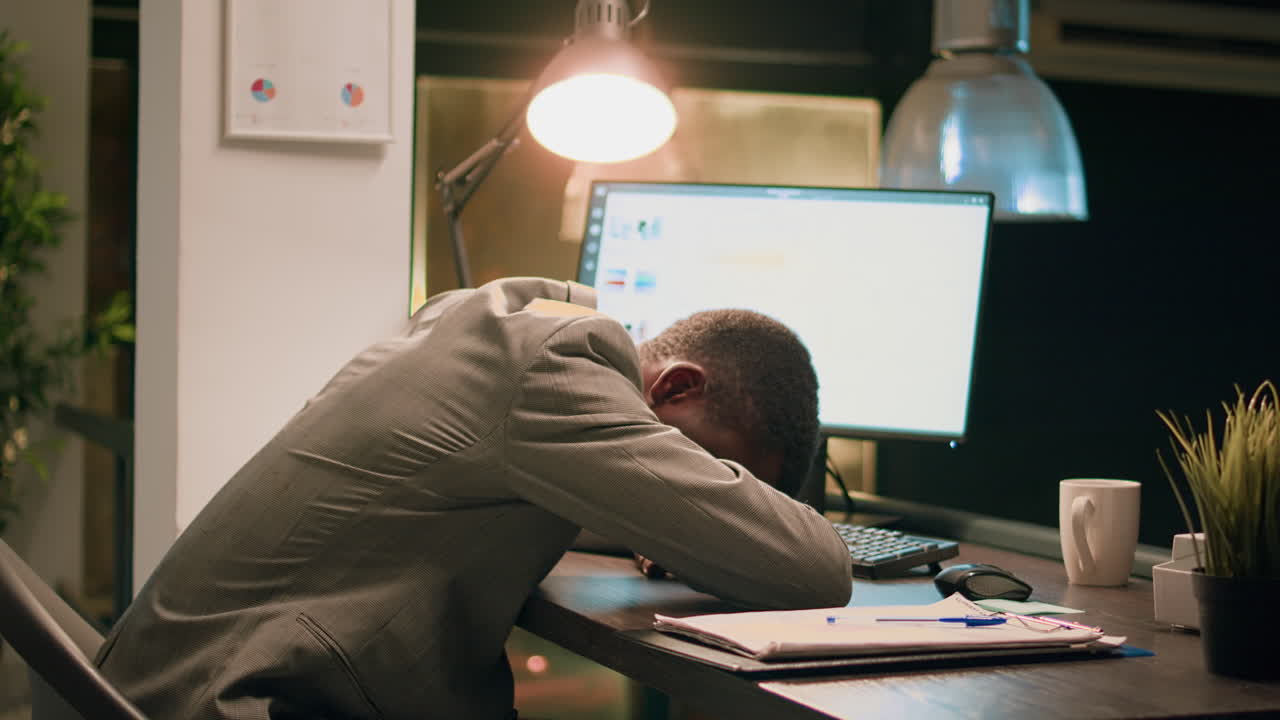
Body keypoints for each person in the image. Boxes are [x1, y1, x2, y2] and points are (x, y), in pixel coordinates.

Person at [97, 276, 852, 720]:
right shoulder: (558, 371)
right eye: (716, 469)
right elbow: (815, 571)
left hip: (169, 690)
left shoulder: (496, 323)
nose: (700, 487)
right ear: (677, 386)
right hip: (242, 706)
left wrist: (663, 526)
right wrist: (721, 525)